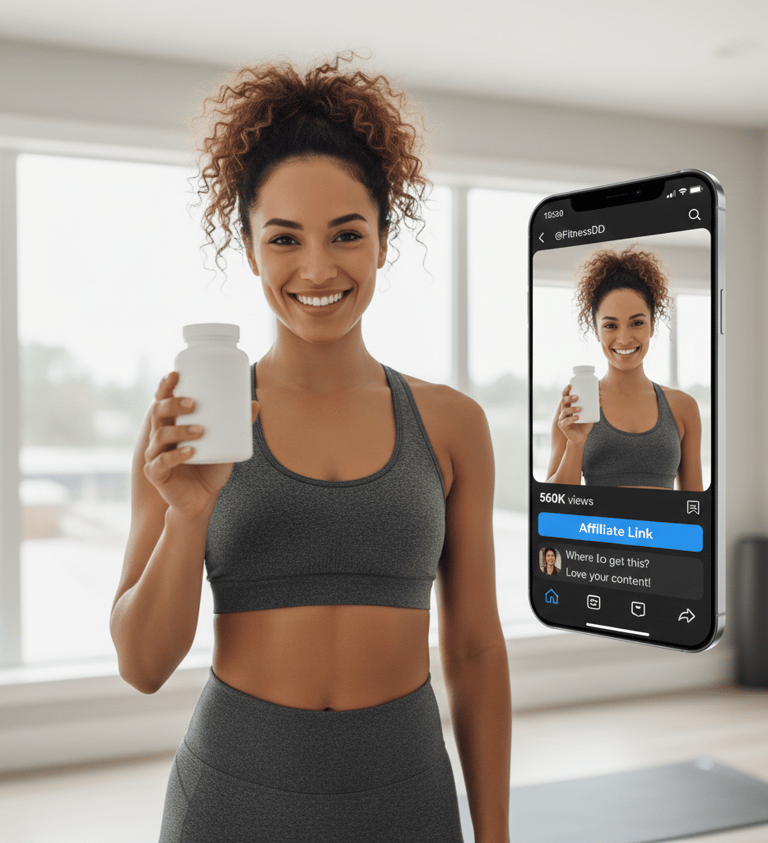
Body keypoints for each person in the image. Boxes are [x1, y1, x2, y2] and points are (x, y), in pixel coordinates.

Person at [109, 51, 511, 842]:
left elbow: (472, 648)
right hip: (232, 798)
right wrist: (188, 514)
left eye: (346, 234)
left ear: (384, 241)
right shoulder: (187, 424)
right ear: (251, 246)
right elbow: (142, 665)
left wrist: (494, 833)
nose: (317, 267)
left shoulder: (452, 423)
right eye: (285, 238)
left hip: (408, 799)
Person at [546, 244, 703, 491]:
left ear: (652, 325)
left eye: (637, 323)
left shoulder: (684, 407)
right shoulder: (574, 407)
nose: (624, 339)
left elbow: (695, 507)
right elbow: (554, 505)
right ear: (596, 330)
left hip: (662, 532)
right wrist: (575, 443)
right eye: (610, 325)